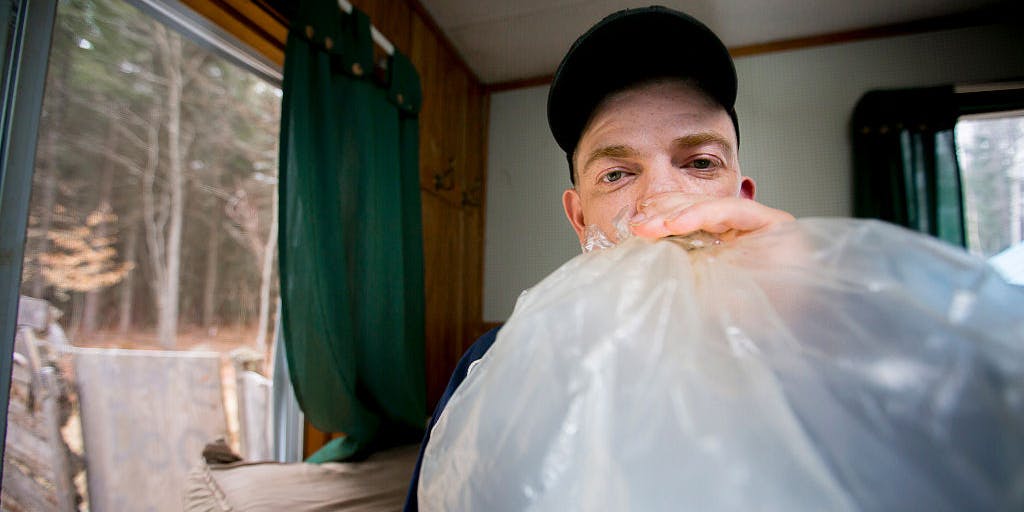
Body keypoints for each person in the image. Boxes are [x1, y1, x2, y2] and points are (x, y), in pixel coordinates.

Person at [403, 6, 793, 510]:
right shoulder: (494, 365)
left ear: (741, 200)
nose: (661, 198)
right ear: (580, 218)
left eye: (699, 163)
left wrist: (826, 337)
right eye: (616, 174)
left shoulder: (810, 349)